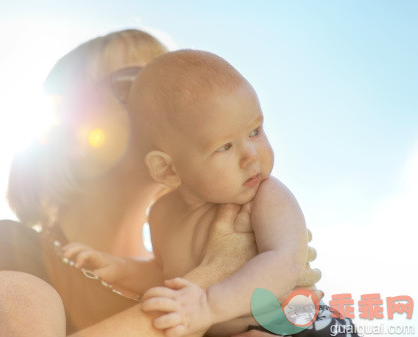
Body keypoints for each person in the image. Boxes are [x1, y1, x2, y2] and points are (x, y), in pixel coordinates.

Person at [0, 29, 320, 337]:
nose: (182, 107)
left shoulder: (238, 217)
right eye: (133, 87)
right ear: (74, 132)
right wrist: (210, 278)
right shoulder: (7, 249)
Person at [62, 50, 358, 337]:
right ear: (168, 170)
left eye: (255, 131)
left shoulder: (267, 196)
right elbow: (168, 277)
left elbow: (284, 264)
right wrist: (120, 269)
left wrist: (208, 305)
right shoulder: (163, 214)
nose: (251, 156)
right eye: (225, 146)